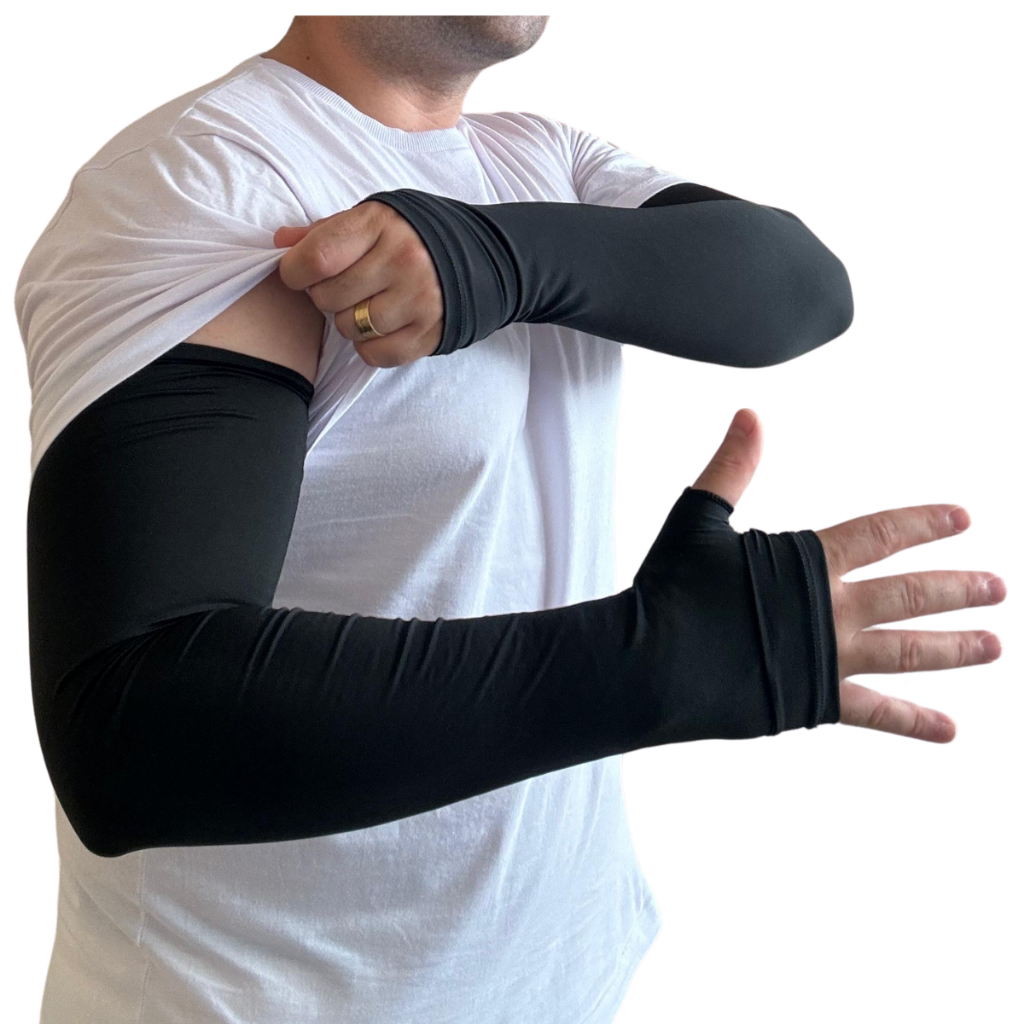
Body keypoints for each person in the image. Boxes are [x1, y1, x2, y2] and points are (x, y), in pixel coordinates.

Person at [15, 15, 1005, 1024]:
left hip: (559, 981)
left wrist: (493, 255)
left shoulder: (543, 159)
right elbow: (135, 729)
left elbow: (800, 286)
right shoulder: (208, 179)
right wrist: (654, 662)